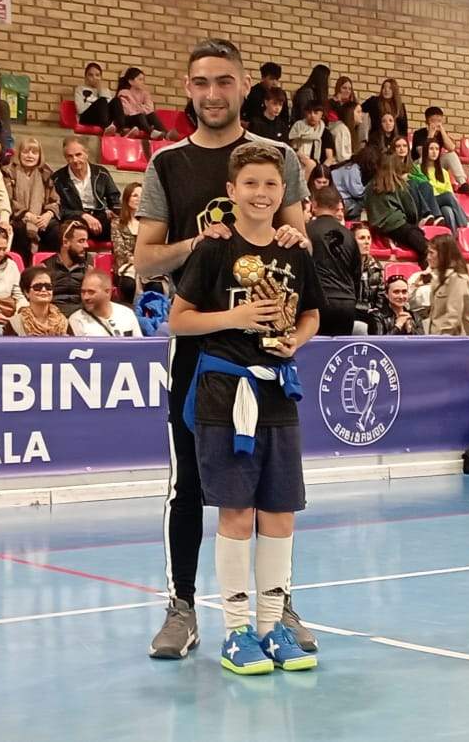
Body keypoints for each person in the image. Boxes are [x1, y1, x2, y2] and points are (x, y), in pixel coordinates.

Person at [134, 39, 309, 659]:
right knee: (189, 484)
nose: (213, 93)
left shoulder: (277, 156)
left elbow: (297, 245)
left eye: (225, 82)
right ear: (188, 88)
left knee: (271, 487)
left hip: (268, 351)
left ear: (243, 89)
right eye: (202, 82)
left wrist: (292, 234)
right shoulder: (168, 164)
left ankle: (276, 607)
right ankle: (183, 606)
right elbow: (144, 259)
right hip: (202, 352)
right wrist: (206, 244)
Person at [166, 140, 321, 675]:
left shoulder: (295, 250)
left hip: (278, 389)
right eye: (250, 184)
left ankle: (271, 625)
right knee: (236, 512)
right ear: (231, 192)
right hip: (223, 393)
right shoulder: (213, 249)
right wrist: (233, 319)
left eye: (270, 185)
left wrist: (294, 342)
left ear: (284, 193)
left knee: (279, 511)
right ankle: (235, 633)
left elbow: (312, 315)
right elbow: (179, 320)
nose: (261, 193)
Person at [304, 187, 360, 336]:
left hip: (318, 301)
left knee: (315, 353)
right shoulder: (350, 235)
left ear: (313, 205)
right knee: (338, 355)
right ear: (337, 207)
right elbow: (356, 273)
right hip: (346, 301)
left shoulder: (306, 231)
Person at [3, 135, 59, 266]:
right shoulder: (9, 171)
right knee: (20, 229)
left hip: (41, 217)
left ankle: (47, 268)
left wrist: (48, 214)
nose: (30, 156)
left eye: (34, 152)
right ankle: (22, 268)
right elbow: (8, 199)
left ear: (40, 156)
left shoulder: (46, 173)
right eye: (26, 152)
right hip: (17, 217)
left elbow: (54, 199)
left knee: (55, 230)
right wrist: (28, 215)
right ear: (19, 154)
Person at [364, 154, 428, 261]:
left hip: (377, 228)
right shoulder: (398, 185)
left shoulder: (369, 187)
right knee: (426, 249)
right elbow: (411, 212)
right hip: (398, 226)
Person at [408, 106, 469, 194]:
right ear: (427, 121)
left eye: (439, 121)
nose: (436, 123)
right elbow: (423, 154)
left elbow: (451, 148)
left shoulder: (441, 134)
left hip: (435, 165)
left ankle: (463, 184)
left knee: (451, 155)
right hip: (419, 164)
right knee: (424, 157)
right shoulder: (419, 133)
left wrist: (442, 132)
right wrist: (430, 135)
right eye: (433, 120)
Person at [422, 234, 469, 336]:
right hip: (437, 338)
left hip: (451, 342)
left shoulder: (458, 279)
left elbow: (453, 317)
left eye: (431, 253)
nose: (428, 257)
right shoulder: (439, 278)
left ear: (443, 254)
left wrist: (442, 341)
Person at [68, 269, 141, 337]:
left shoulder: (127, 314)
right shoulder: (76, 320)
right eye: (83, 292)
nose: (85, 297)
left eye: (91, 292)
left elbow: (139, 347)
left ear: (107, 292)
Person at [46, 219, 90, 313]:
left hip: (81, 317)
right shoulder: (45, 268)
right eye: (81, 241)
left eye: (86, 240)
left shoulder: (88, 270)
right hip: (52, 316)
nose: (86, 245)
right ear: (65, 242)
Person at [113, 67, 167, 140]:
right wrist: (141, 108)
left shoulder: (145, 94)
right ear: (131, 81)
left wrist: (137, 107)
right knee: (140, 116)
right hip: (129, 120)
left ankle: (166, 135)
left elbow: (150, 109)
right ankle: (151, 132)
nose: (142, 82)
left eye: (143, 80)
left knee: (152, 115)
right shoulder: (124, 93)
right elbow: (127, 111)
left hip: (142, 120)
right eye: (140, 79)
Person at [73, 61, 115, 132]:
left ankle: (121, 130)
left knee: (116, 101)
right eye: (90, 75)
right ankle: (106, 127)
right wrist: (95, 104)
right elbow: (80, 110)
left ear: (101, 77)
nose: (94, 78)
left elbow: (109, 108)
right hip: (86, 117)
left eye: (97, 75)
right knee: (102, 101)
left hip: (102, 118)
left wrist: (99, 89)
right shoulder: (80, 89)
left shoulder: (105, 90)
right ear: (86, 77)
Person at [288, 101, 330, 170]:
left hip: (318, 166)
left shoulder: (325, 132)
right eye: (309, 113)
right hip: (298, 162)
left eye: (316, 113)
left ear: (321, 115)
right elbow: (290, 145)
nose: (312, 115)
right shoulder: (298, 126)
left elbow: (329, 157)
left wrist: (321, 170)